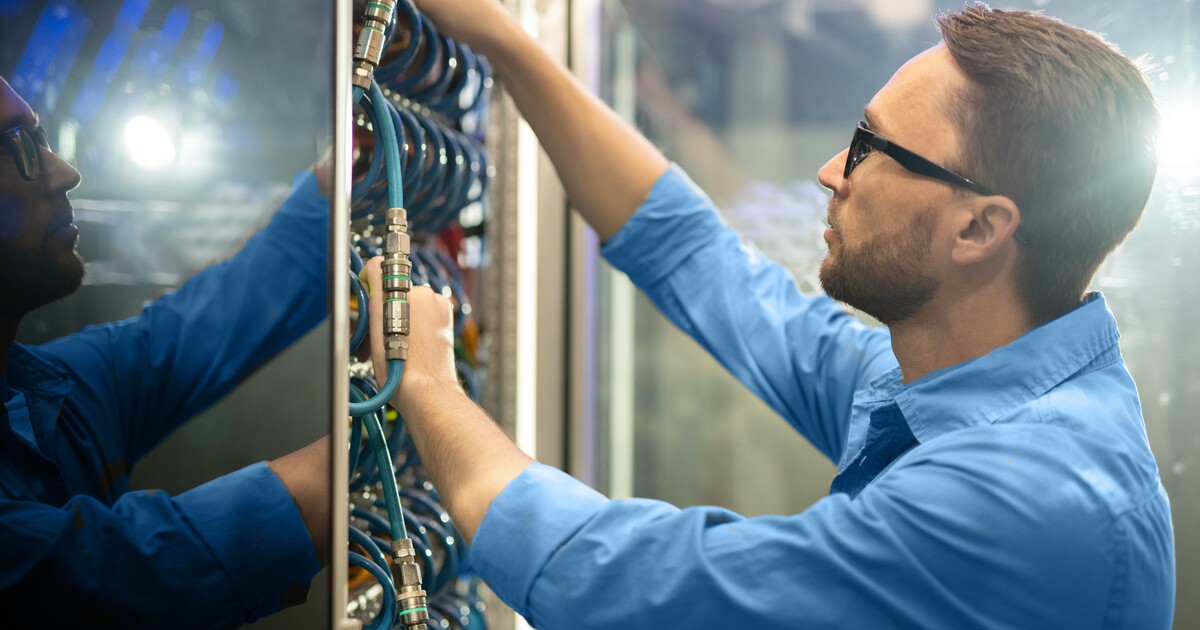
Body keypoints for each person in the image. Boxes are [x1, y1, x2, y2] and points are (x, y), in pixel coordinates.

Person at [366, 1, 1175, 628]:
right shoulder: (951, 379)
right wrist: (508, 44)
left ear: (980, 228)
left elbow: (636, 586)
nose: (831, 172)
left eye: (869, 148)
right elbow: (707, 268)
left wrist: (429, 383)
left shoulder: (1024, 501)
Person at [0, 75, 331, 626]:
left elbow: (222, 314)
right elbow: (139, 571)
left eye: (42, 137)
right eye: (18, 147)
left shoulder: (46, 393)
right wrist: (424, 405)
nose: (66, 172)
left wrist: (357, 158)